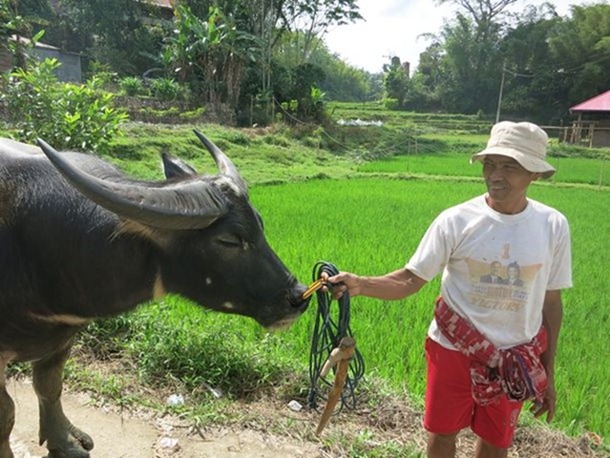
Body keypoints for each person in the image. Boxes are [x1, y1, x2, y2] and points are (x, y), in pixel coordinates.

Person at [323, 121, 572, 458]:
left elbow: (551, 303)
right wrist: (360, 284)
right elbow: (411, 279)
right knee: (442, 435)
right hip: (453, 350)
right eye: (490, 164)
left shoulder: (553, 226)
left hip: (513, 358)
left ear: (535, 174)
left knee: (497, 443)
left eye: (510, 166)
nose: (495, 175)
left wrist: (548, 371)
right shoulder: (456, 220)